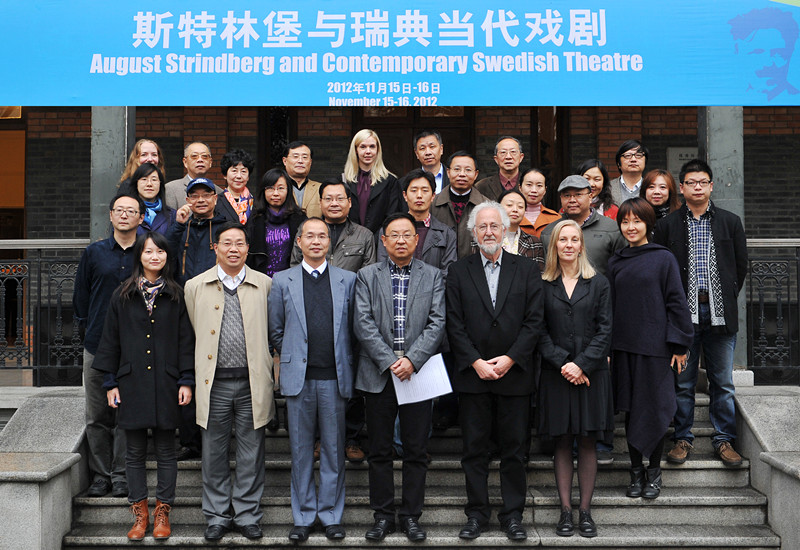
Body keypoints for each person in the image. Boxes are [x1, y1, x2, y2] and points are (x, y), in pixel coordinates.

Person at [446, 202, 543, 542]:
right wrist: (476, 362)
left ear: (505, 230)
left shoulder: (526, 269)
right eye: (482, 227)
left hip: (514, 375)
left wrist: (511, 358)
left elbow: (534, 321)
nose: (488, 232)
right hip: (473, 377)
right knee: (474, 451)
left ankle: (513, 515)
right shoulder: (459, 271)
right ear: (473, 233)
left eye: (494, 226)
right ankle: (476, 514)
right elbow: (454, 323)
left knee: (514, 451)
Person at [92, 232, 195, 541]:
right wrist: (110, 382)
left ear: (167, 257)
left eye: (160, 252)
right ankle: (140, 513)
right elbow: (110, 339)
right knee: (134, 452)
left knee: (166, 450)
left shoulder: (176, 295)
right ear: (139, 255)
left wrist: (186, 379)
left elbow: (185, 340)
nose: (154, 257)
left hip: (166, 381)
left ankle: (163, 512)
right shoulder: (122, 294)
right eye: (149, 251)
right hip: (131, 381)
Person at [354, 213, 446, 543]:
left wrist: (412, 360)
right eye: (394, 235)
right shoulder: (367, 276)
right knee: (379, 449)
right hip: (379, 374)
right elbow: (362, 322)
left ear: (417, 239)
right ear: (383, 240)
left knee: (416, 450)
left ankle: (410, 516)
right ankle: (382, 515)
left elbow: (437, 322)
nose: (401, 240)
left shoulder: (432, 275)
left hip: (418, 374)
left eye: (407, 234)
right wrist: (390, 361)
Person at [654, 159, 748, 467]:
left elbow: (740, 267)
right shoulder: (668, 225)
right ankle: (682, 439)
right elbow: (662, 271)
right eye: (691, 183)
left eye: (702, 182)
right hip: (683, 317)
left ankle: (724, 440)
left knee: (723, 383)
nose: (697, 187)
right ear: (681, 188)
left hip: (720, 313)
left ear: (711, 186)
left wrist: (724, 297)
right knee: (683, 383)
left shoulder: (730, 222)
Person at [184, 222, 274, 542]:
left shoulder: (265, 284)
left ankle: (247, 514)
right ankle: (217, 515)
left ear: (248, 249)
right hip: (214, 384)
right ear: (215, 248)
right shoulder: (195, 286)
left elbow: (273, 331)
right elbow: (191, 332)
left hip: (252, 383)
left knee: (252, 452)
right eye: (227, 243)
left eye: (239, 243)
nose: (233, 249)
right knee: (213, 453)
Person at [269, 217, 356, 543]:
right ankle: (304, 516)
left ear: (329, 242)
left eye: (322, 236)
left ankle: (331, 516)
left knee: (333, 451)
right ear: (300, 242)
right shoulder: (282, 280)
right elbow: (276, 330)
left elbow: (353, 329)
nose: (316, 241)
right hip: (299, 379)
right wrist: (293, 355)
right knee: (301, 451)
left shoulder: (348, 280)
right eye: (310, 236)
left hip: (334, 378)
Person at [608, 198, 694, 503]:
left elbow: (676, 302)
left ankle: (654, 473)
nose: (631, 227)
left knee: (655, 410)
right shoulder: (616, 261)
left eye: (637, 221)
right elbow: (610, 307)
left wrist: (680, 344)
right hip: (624, 347)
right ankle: (635, 473)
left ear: (648, 223)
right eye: (625, 222)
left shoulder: (663, 258)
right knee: (632, 411)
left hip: (657, 348)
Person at [290, 179, 376, 463]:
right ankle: (318, 438)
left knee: (351, 380)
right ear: (321, 202)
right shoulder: (307, 232)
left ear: (350, 203)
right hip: (313, 317)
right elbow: (295, 268)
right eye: (328, 198)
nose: (334, 203)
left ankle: (351, 438)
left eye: (340, 198)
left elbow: (369, 276)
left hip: (352, 318)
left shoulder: (364, 235)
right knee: (315, 382)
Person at [538, 219, 613, 538]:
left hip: (591, 374)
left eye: (574, 239)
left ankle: (585, 512)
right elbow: (538, 330)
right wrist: (563, 363)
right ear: (554, 246)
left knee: (587, 441)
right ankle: (565, 511)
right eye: (562, 239)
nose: (568, 245)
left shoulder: (599, 283)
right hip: (556, 375)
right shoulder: (542, 284)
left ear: (581, 245)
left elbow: (605, 330)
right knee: (562, 441)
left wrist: (580, 365)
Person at [73, 193, 145, 499]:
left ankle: (121, 476)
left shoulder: (148, 252)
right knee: (97, 415)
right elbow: (81, 297)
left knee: (126, 416)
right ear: (112, 215)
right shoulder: (95, 252)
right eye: (120, 210)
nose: (125, 215)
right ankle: (101, 476)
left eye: (131, 211)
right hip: (97, 344)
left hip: (136, 347)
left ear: (141, 217)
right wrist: (87, 330)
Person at [541, 175, 626, 278]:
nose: (572, 200)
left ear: (590, 197)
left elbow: (621, 270)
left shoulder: (612, 229)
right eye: (567, 195)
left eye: (578, 194)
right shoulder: (549, 232)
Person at [377, 169, 457, 274]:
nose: (419, 195)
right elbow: (382, 270)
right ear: (405, 195)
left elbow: (448, 273)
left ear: (433, 196)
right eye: (414, 190)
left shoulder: (447, 234)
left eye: (425, 190)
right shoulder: (387, 231)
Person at [246, 167, 306, 278]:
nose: (275, 193)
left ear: (288, 190)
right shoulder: (254, 219)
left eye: (281, 188)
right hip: (261, 280)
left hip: (292, 279)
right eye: (270, 188)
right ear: (263, 191)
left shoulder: (299, 219)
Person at [431, 151, 488, 259]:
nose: (462, 174)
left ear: (476, 174)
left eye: (468, 170)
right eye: (457, 169)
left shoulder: (486, 206)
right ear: (448, 172)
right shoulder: (432, 204)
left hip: (474, 265)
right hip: (439, 265)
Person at [344, 129, 401, 233]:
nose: (368, 151)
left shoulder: (391, 182)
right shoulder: (344, 180)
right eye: (363, 147)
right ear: (356, 150)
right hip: (350, 239)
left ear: (378, 150)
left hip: (380, 239)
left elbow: (392, 215)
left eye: (372, 146)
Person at [165, 142, 222, 210]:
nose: (200, 160)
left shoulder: (219, 191)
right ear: (185, 162)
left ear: (210, 162)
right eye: (194, 156)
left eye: (204, 156)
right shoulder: (171, 189)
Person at [497, 188, 544, 270]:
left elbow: (538, 273)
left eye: (520, 206)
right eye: (509, 205)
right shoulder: (487, 238)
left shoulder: (534, 242)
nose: (515, 210)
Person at [123, 163, 176, 235]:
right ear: (136, 183)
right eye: (144, 179)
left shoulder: (172, 215)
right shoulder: (125, 213)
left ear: (160, 184)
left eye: (154, 180)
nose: (149, 184)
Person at [475, 136, 525, 202]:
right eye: (503, 152)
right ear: (496, 159)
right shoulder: (482, 186)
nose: (508, 157)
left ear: (521, 157)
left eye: (513, 152)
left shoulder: (529, 184)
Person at [282, 141, 322, 218]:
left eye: (305, 157)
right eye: (295, 156)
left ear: (310, 162)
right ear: (285, 161)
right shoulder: (276, 189)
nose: (300, 161)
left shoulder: (321, 188)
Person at [518, 167, 560, 238]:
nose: (534, 190)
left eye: (539, 186)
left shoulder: (556, 219)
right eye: (529, 185)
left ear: (545, 190)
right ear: (520, 188)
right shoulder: (509, 217)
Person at [216, 148, 255, 225]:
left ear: (248, 176)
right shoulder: (216, 202)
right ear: (225, 175)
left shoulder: (255, 203)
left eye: (243, 171)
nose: (239, 176)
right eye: (234, 171)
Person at [610, 140, 649, 206]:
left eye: (638, 155)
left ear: (645, 162)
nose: (633, 159)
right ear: (618, 164)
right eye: (627, 155)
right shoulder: (607, 188)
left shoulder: (651, 187)